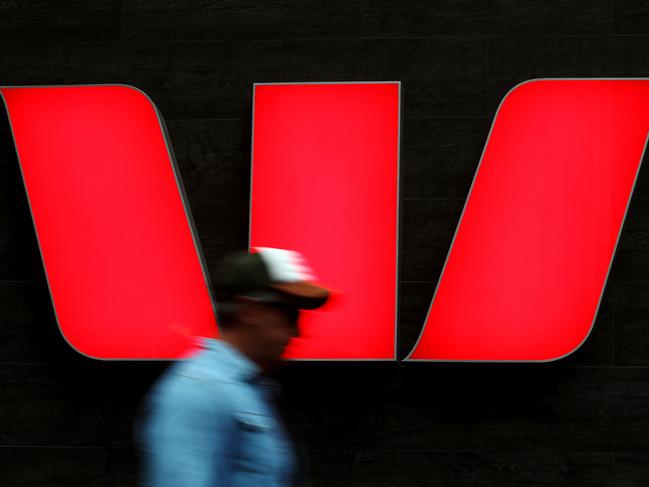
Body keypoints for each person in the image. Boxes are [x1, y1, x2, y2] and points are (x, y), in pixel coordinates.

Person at [136, 247, 330, 487]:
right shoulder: (199, 393)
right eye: (290, 314)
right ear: (251, 311)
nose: (296, 332)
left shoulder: (247, 388)